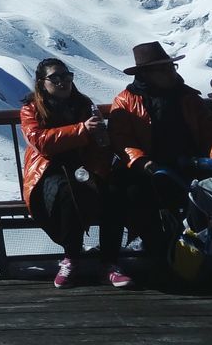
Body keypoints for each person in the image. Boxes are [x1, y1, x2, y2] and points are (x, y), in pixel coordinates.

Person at [108, 41, 212, 270]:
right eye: (164, 68)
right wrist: (142, 162)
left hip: (194, 166)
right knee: (134, 194)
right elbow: (122, 140)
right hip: (150, 172)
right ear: (146, 73)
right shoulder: (125, 101)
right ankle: (164, 257)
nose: (171, 72)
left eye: (171, 67)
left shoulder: (188, 97)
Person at [20, 58, 131, 288]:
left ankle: (109, 262)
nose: (63, 82)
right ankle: (71, 256)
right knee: (67, 192)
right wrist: (82, 130)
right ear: (42, 82)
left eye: (66, 76)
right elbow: (41, 142)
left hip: (86, 166)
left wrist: (101, 144)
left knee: (114, 191)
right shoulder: (31, 109)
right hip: (47, 170)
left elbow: (100, 145)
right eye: (55, 78)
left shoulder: (83, 104)